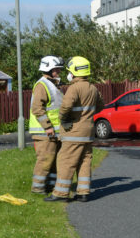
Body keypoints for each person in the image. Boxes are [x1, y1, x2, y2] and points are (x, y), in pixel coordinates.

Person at [45, 56, 104, 202]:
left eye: (69, 71)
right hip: (88, 132)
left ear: (75, 72)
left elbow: (65, 107)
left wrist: (64, 120)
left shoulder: (74, 88)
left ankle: (60, 193)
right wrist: (86, 116)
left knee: (65, 160)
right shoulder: (93, 88)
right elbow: (101, 106)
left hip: (73, 132)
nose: (68, 74)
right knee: (85, 161)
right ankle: (84, 192)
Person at [29, 56, 64, 194]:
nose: (58, 71)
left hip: (53, 132)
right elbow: (37, 108)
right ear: (48, 69)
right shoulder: (42, 85)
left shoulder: (53, 84)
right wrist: (47, 126)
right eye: (56, 69)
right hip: (44, 132)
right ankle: (37, 187)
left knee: (54, 161)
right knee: (45, 160)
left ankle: (50, 186)